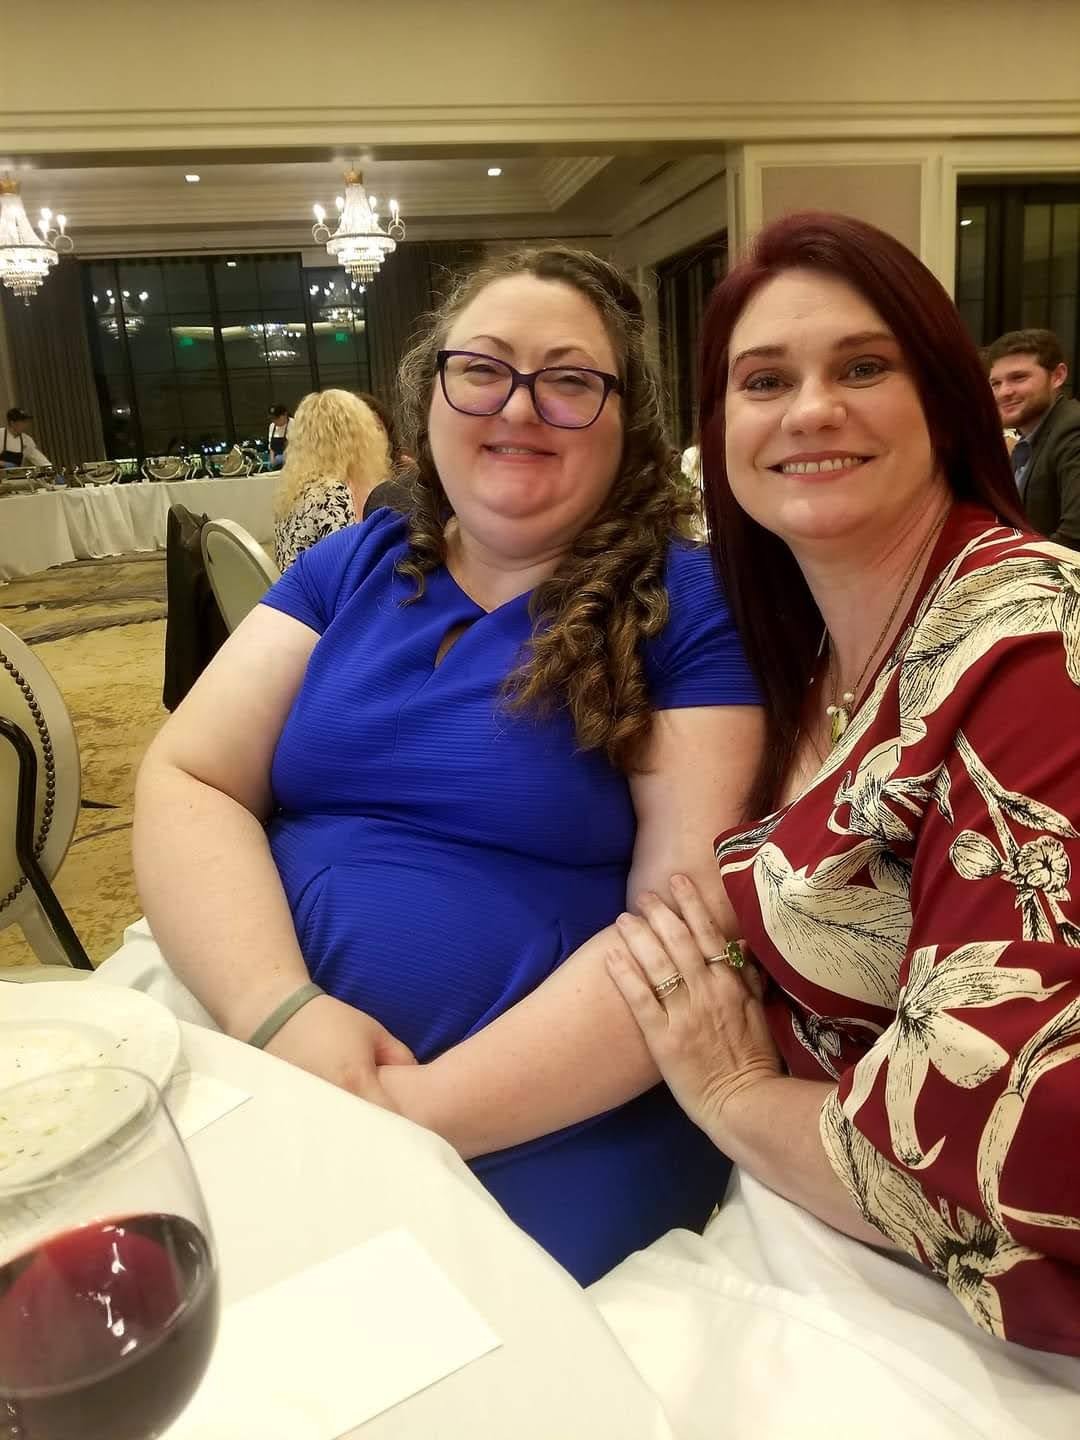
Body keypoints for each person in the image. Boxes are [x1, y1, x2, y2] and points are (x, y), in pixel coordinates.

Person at [132, 245, 764, 1284]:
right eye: (482, 369)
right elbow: (190, 776)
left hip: (532, 1124)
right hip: (261, 1052)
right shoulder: (352, 565)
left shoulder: (688, 605)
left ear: (630, 421)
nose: (518, 406)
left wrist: (407, 1113)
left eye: (569, 380)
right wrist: (281, 1011)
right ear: (429, 393)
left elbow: (685, 932)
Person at [584, 212, 1080, 1407]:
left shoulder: (1032, 645)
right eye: (764, 381)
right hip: (807, 1222)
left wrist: (734, 1096)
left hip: (986, 1325)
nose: (810, 409)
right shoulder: (812, 643)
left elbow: (1024, 1146)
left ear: (945, 401)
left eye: (863, 367)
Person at [271, 389, 389, 571]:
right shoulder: (332, 493)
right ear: (356, 439)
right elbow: (347, 569)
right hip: (321, 589)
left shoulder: (294, 490)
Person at [987, 329, 1080, 549]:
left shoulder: (1073, 429)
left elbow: (1074, 538)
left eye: (1018, 378)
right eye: (996, 383)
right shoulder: (1027, 439)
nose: (1004, 392)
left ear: (1057, 376)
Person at [356, 390, 413, 518]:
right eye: (364, 428)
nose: (372, 435)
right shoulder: (341, 483)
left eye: (377, 427)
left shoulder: (406, 467)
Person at [267, 403, 291, 469]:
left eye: (277, 418)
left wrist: (283, 458)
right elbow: (271, 446)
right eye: (272, 419)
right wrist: (272, 459)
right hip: (276, 462)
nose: (275, 421)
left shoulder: (294, 424)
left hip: (290, 461)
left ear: (285, 414)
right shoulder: (272, 426)